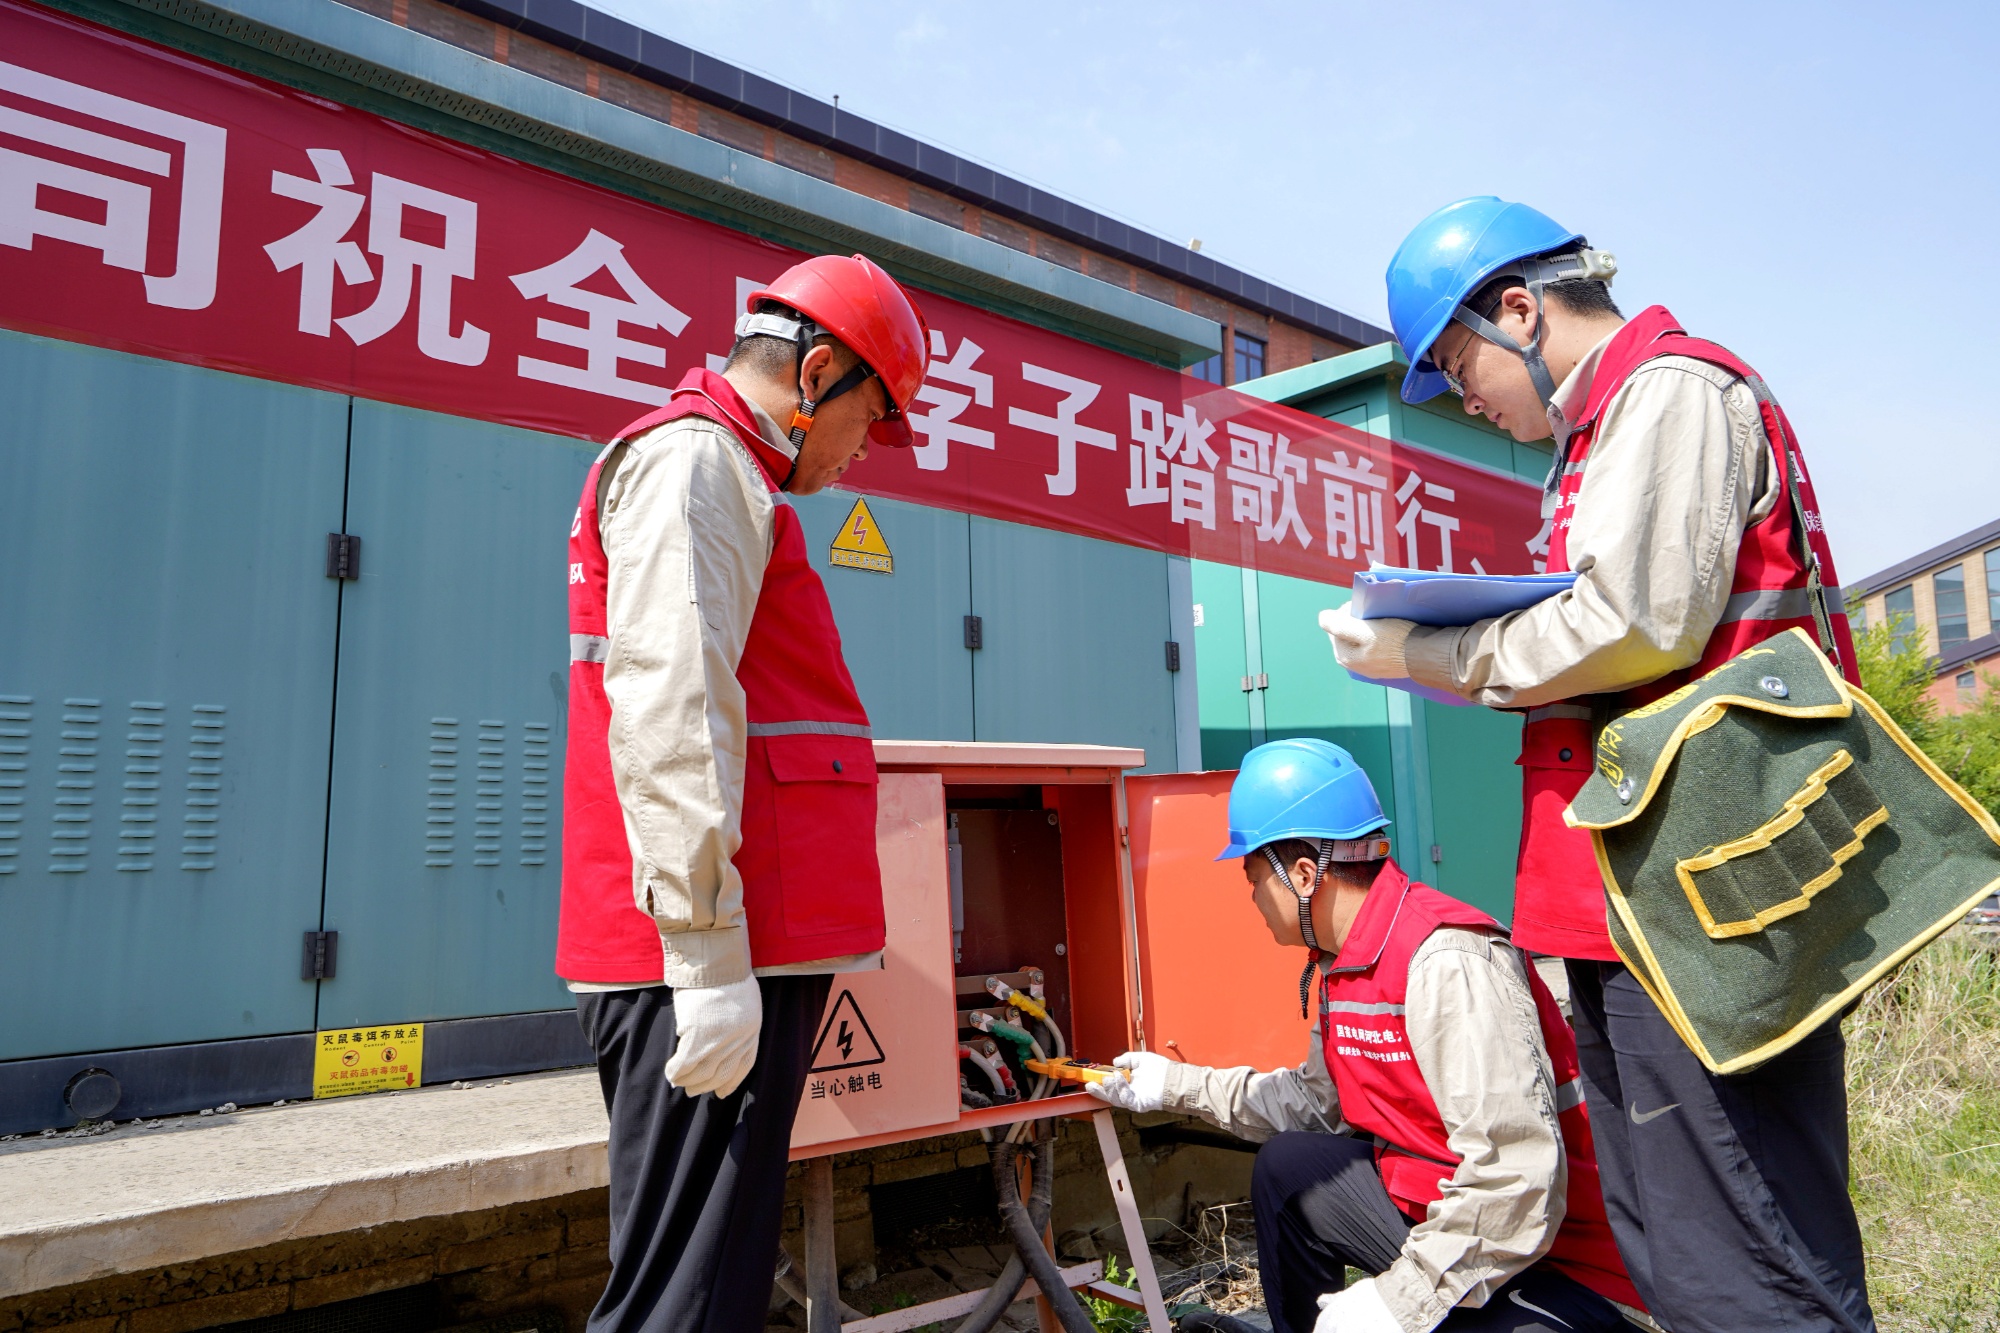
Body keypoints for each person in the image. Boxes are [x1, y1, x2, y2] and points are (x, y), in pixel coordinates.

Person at [1324, 197, 1871, 1333]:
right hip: (1641, 896)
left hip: (1708, 898)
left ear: (1518, 307)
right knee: (1674, 1244)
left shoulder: (1669, 392)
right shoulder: (1601, 431)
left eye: (1455, 365)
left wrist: (1422, 649)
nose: (1461, 399)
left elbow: (1635, 623)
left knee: (1746, 1255)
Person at [555, 253, 929, 1332]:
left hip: (730, 946)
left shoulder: (732, 477)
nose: (865, 455)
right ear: (815, 373)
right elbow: (674, 705)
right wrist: (708, 955)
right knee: (683, 1299)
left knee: (708, 1286)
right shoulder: (697, 465)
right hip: (707, 957)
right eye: (872, 418)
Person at [1090, 739, 1642, 1333]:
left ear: (1303, 875)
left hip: (1548, 1258)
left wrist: (1399, 1302)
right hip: (1439, 1213)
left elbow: (1516, 1179)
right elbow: (1311, 1107)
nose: (1250, 898)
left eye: (1252, 878)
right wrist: (1176, 1084)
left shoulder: (1447, 959)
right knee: (1289, 1167)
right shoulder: (1344, 962)